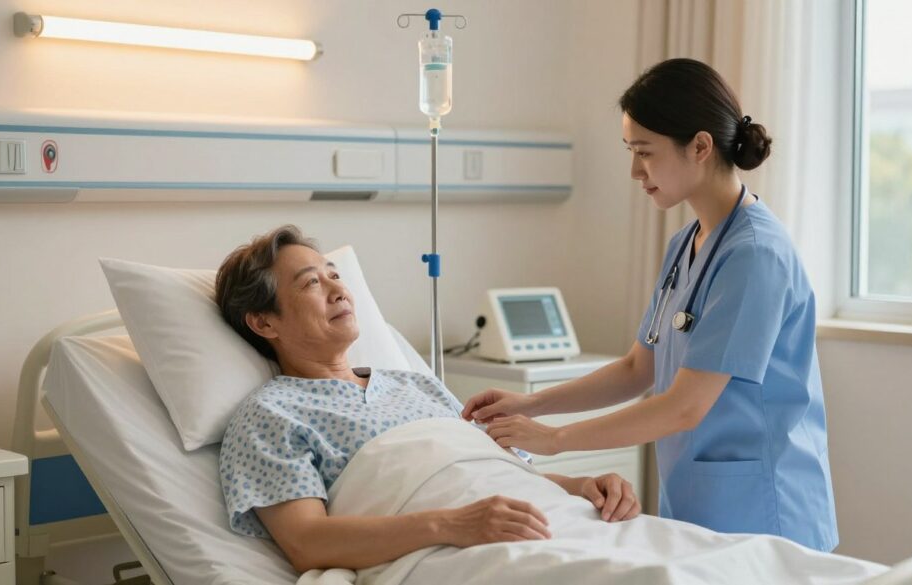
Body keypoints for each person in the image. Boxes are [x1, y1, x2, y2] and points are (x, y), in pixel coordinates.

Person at [462, 58, 838, 552]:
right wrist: (533, 404)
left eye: (645, 152)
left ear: (700, 146)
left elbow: (685, 407)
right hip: (701, 505)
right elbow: (639, 367)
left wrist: (555, 440)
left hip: (767, 512)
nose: (635, 171)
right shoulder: (687, 242)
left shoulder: (755, 255)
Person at [214, 225, 640, 572]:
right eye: (311, 283)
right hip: (453, 553)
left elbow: (494, 477)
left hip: (548, 521)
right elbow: (308, 543)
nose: (338, 291)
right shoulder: (271, 414)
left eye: (334, 275)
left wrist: (581, 487)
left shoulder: (416, 384)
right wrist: (452, 524)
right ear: (264, 322)